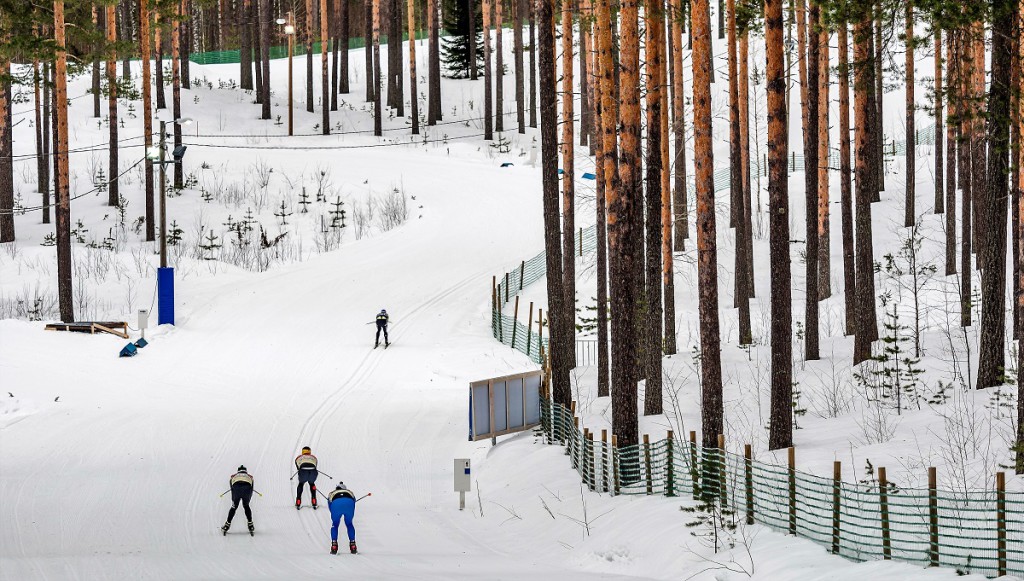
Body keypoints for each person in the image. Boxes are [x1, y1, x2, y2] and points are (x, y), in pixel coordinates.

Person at [222, 465, 255, 535]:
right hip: (247, 490)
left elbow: (232, 488)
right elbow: (251, 488)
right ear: (246, 471)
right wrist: (248, 499)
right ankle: (250, 525)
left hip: (236, 490)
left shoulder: (233, 476)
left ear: (238, 471)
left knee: (233, 507)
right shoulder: (250, 477)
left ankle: (227, 525)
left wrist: (233, 499)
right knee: (246, 506)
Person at [327, 483, 358, 554]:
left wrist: (334, 513)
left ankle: (334, 545)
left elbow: (329, 505)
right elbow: (354, 501)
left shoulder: (332, 493)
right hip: (349, 504)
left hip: (336, 505)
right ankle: (353, 545)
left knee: (335, 524)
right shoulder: (349, 492)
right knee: (349, 524)